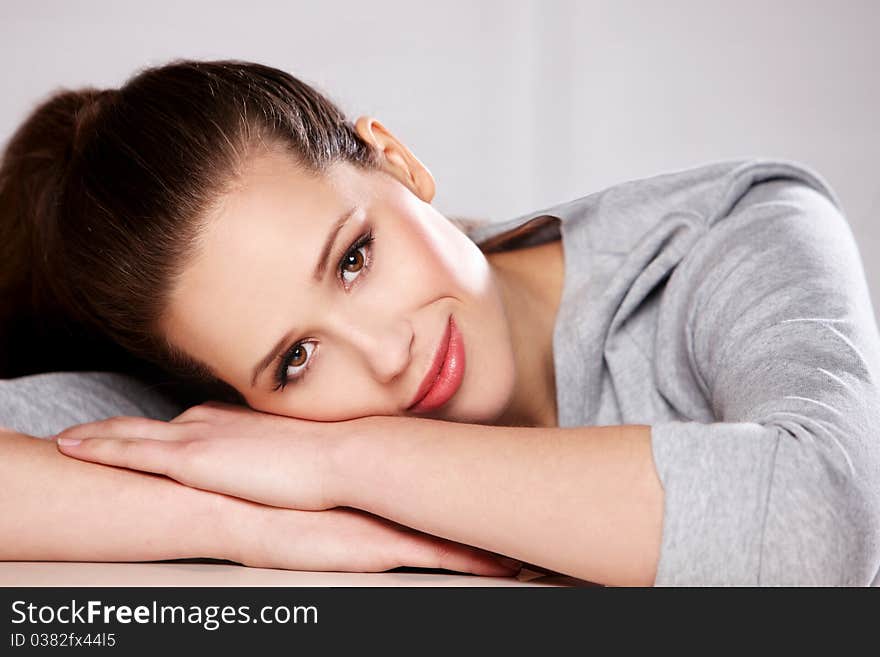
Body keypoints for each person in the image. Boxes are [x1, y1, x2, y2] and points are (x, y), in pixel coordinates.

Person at [1, 59, 878, 586]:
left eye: (354, 256)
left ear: (399, 161)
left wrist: (341, 457)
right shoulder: (243, 429)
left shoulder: (739, 231)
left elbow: (822, 524)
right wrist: (240, 523)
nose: (386, 354)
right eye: (297, 358)